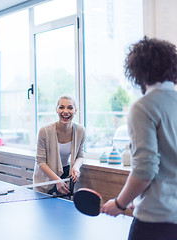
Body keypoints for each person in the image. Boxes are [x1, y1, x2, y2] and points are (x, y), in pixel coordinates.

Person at [101, 37, 177, 239]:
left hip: (156, 222)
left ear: (138, 71)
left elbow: (145, 170)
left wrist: (119, 203)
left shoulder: (144, 107)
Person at [33, 95, 85, 195]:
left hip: (65, 177)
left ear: (75, 110)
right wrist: (57, 180)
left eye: (70, 107)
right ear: (56, 110)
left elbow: (80, 156)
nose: (65, 111)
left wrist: (76, 167)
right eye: (61, 107)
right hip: (45, 180)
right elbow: (40, 161)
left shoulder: (80, 130)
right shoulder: (44, 131)